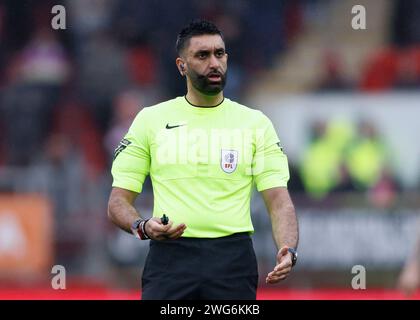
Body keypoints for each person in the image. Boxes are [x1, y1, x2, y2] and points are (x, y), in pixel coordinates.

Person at [107, 19, 299, 300]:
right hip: (170, 259)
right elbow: (118, 201)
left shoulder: (256, 124)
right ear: (181, 65)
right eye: (202, 55)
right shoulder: (150, 120)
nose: (214, 63)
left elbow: (279, 201)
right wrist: (142, 226)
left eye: (219, 54)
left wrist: (288, 248)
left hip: (232, 261)